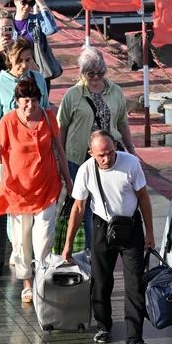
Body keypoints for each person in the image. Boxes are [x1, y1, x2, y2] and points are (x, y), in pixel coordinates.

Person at [60, 130, 154, 344]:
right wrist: (68, 244)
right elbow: (78, 208)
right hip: (103, 227)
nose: (107, 158)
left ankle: (135, 338)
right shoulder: (85, 171)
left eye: (111, 152)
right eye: (101, 155)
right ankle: (104, 325)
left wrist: (150, 232)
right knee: (101, 281)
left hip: (130, 227)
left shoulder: (130, 163)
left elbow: (143, 198)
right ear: (91, 153)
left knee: (134, 284)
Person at [0, 77, 73, 303]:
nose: (29, 106)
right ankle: (27, 282)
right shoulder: (8, 122)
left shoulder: (48, 117)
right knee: (21, 240)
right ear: (16, 101)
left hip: (46, 186)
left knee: (43, 237)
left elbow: (60, 151)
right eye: (25, 101)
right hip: (18, 191)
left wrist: (68, 179)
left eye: (33, 101)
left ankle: (41, 277)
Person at [58, 45, 136, 246]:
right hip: (79, 158)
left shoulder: (115, 92)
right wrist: (61, 157)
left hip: (108, 156)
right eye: (90, 73)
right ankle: (91, 250)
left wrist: (132, 151)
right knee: (83, 206)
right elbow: (62, 127)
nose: (95, 77)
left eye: (100, 73)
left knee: (107, 204)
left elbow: (122, 123)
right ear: (82, 73)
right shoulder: (73, 95)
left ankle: (105, 245)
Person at [0, 38, 49, 137]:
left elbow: (45, 110)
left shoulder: (39, 79)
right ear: (10, 58)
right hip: (12, 144)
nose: (24, 65)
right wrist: (3, 145)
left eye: (28, 60)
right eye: (19, 60)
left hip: (37, 140)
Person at [11, 0, 59, 91]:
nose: (27, 6)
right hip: (15, 70)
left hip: (38, 70)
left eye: (31, 3)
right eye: (23, 2)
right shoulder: (9, 22)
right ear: (15, 1)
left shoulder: (36, 20)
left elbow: (51, 30)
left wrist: (42, 5)